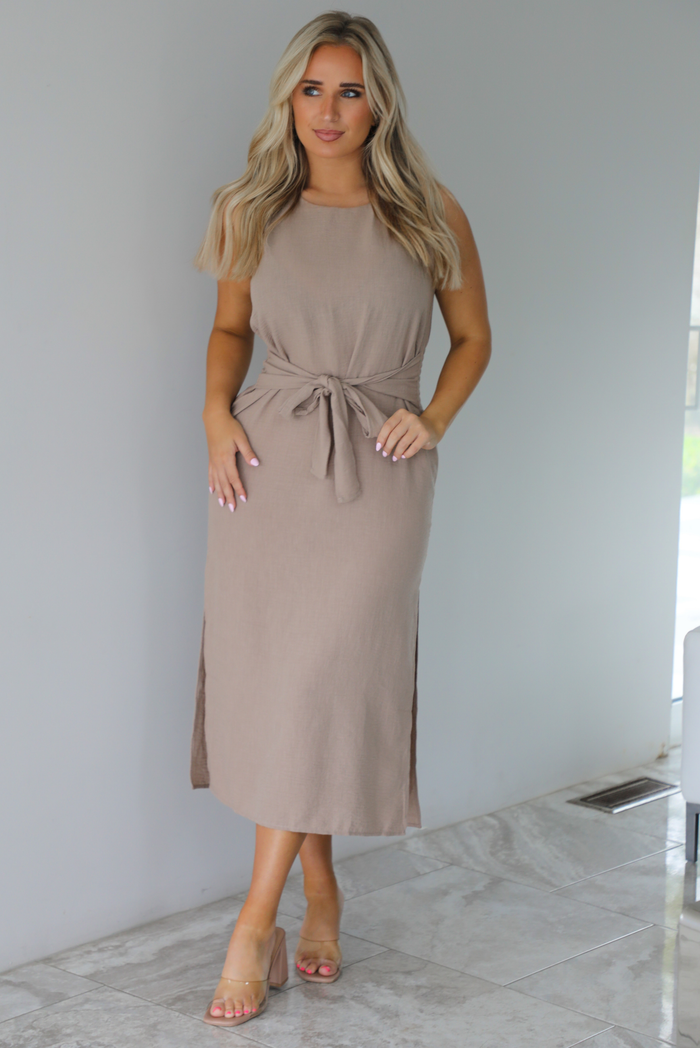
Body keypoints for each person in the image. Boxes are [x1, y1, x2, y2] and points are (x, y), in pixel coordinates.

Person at [190, 9, 491, 1029]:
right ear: (288, 97)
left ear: (379, 102)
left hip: (379, 463)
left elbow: (473, 337)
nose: (328, 109)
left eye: (349, 90)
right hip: (267, 466)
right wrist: (214, 414)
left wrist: (433, 417)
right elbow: (231, 328)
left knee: (323, 677)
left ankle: (254, 918)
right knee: (285, 687)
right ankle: (320, 892)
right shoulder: (252, 210)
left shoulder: (428, 211)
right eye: (312, 89)